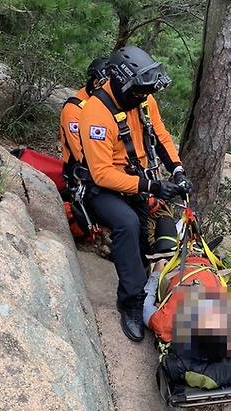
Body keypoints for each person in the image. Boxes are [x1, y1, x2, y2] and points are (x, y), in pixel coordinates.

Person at [79, 45, 192, 343]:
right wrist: (151, 187)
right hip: (101, 188)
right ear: (119, 81)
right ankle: (130, 302)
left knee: (143, 234)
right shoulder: (95, 113)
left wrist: (177, 169)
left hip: (137, 180)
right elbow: (102, 173)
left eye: (145, 92)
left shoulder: (142, 99)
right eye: (139, 92)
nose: (143, 97)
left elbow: (160, 134)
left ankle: (145, 285)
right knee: (126, 224)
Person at [142, 257, 231, 355]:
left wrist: (156, 271)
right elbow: (146, 305)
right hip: (190, 265)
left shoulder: (167, 323)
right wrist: (156, 272)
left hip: (192, 265)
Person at [59, 55, 109, 185]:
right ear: (97, 83)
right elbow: (80, 153)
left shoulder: (101, 104)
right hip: (80, 173)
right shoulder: (73, 110)